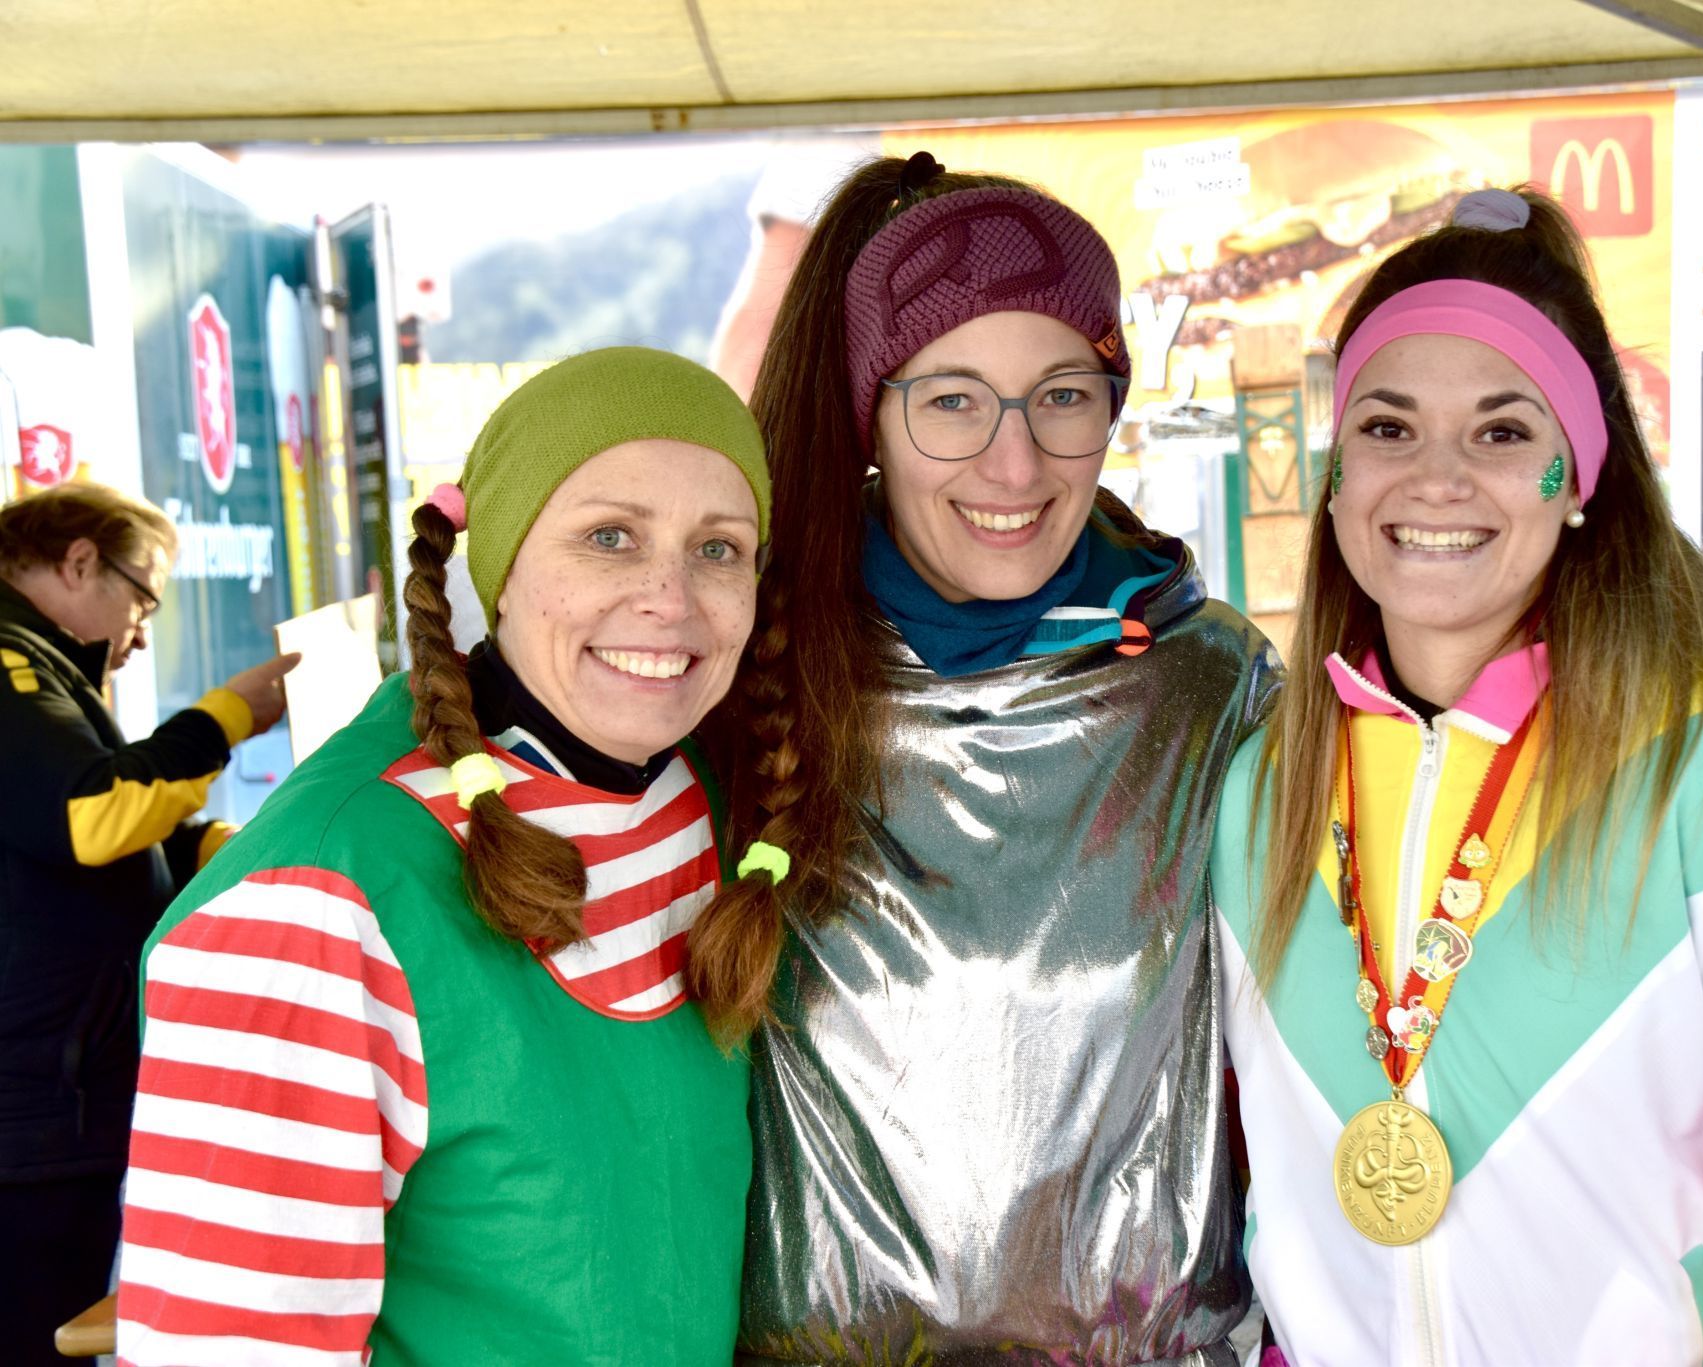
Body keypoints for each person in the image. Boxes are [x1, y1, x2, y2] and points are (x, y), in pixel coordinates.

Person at [1208, 187, 1703, 1365]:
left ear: (1577, 479)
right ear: (1333, 471)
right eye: (1387, 426)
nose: (1435, 478)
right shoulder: (1256, 790)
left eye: (1504, 430)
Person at [706, 153, 1279, 1365]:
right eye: (953, 401)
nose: (1014, 467)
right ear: (873, 411)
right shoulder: (749, 672)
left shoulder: (1206, 689)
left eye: (1061, 395)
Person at [114, 347, 778, 1365]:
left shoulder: (704, 795)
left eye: (719, 548)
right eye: (608, 536)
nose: (670, 597)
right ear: (500, 562)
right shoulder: (314, 898)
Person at [0, 481, 296, 1365]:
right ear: (81, 560)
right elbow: (87, 816)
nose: (139, 632)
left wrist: (238, 851)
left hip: (60, 1093)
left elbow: (126, 837)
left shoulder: (42, 667)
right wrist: (229, 716)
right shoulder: (10, 665)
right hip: (35, 1099)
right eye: (142, 599)